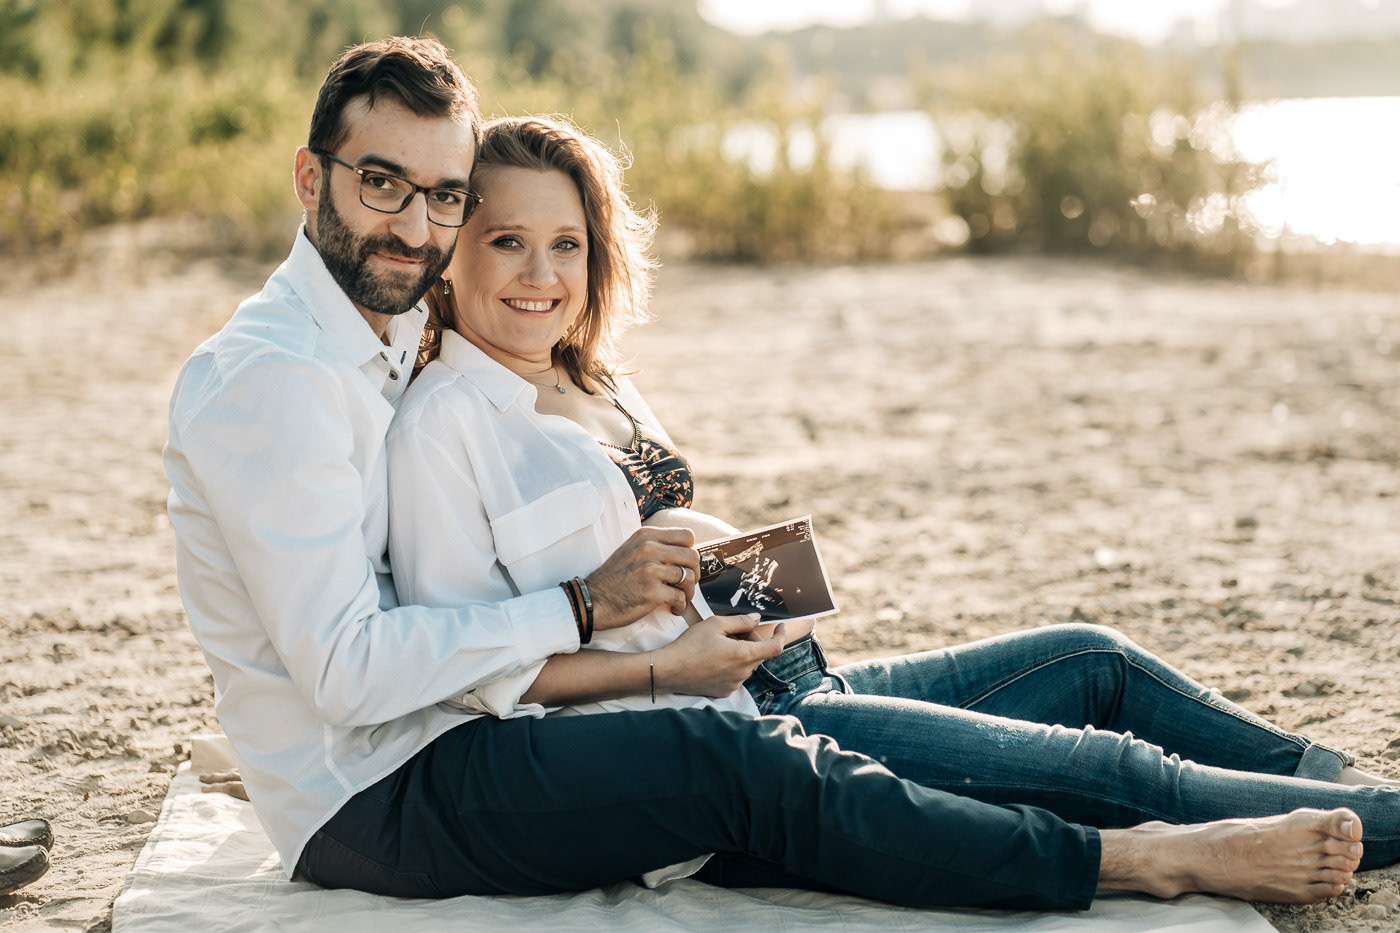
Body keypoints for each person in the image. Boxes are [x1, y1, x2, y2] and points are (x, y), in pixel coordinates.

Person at [164, 36, 1372, 914]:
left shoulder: (388, 346)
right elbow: (359, 666)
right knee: (932, 769)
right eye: (385, 185)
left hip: (707, 675)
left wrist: (744, 585)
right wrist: (617, 628)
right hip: (389, 784)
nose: (415, 227)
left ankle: (1343, 784)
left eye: (438, 197)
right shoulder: (288, 381)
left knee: (1084, 661)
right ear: (311, 178)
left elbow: (445, 596)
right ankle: (1145, 858)